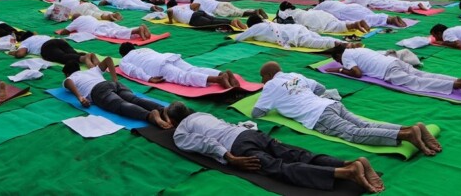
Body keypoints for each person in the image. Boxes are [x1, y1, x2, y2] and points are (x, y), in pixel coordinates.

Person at [165, 101, 384, 193]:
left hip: (237, 145)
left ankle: (345, 172)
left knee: (281, 168)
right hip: (249, 133)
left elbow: (205, 143)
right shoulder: (202, 114)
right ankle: (349, 162)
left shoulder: (180, 133)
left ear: (174, 122)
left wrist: (228, 157)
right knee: (298, 154)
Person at [255, 62, 440, 156]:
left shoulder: (270, 86)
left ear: (270, 75)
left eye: (263, 77)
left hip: (318, 116)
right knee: (364, 124)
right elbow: (319, 89)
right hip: (331, 104)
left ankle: (406, 135)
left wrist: (277, 103)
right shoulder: (294, 75)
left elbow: (257, 112)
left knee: (354, 133)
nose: (262, 81)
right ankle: (410, 129)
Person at [324, 46, 461, 98]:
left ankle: (457, 84)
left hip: (388, 69)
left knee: (418, 82)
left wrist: (338, 69)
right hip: (393, 61)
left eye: (337, 60)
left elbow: (357, 73)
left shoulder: (345, 56)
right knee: (422, 75)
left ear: (338, 55)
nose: (340, 62)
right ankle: (458, 79)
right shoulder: (358, 49)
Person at [63, 56, 171, 129]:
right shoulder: (90, 70)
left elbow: (68, 81)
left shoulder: (70, 78)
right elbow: (109, 59)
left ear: (67, 73)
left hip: (98, 90)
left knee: (121, 105)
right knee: (134, 99)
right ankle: (162, 109)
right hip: (112, 84)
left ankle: (149, 116)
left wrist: (80, 97)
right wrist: (115, 80)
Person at [119, 42, 240, 88]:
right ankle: (222, 73)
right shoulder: (145, 49)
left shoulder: (124, 60)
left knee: (183, 76)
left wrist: (148, 78)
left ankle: (218, 79)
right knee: (193, 68)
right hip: (169, 57)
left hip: (158, 67)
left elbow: (133, 71)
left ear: (122, 54)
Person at [234, 15, 361, 51]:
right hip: (296, 28)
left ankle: (343, 44)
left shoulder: (256, 28)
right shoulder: (267, 23)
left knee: (315, 42)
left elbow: (239, 38)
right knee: (317, 37)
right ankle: (345, 42)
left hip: (292, 36)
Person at [8, 33, 99, 67]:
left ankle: (84, 58)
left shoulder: (25, 42)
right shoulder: (42, 35)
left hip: (47, 47)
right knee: (73, 54)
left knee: (62, 57)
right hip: (58, 41)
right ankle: (89, 55)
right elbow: (62, 40)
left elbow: (20, 54)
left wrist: (14, 52)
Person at [278, 1, 370, 34]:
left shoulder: (285, 13)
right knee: (335, 23)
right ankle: (355, 23)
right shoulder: (298, 9)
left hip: (311, 19)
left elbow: (280, 16)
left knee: (333, 27)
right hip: (319, 13)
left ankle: (354, 25)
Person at [316, 0, 407, 27]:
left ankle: (390, 19)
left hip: (346, 11)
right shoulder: (334, 2)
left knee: (367, 19)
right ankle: (390, 18)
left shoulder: (322, 4)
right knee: (370, 16)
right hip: (354, 7)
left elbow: (312, 11)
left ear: (320, 1)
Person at [55, 15, 152, 41]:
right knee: (120, 28)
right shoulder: (88, 16)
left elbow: (64, 32)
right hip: (104, 23)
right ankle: (138, 30)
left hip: (97, 29)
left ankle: (137, 30)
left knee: (114, 33)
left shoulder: (76, 21)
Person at [166, 0, 247, 30]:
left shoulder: (171, 9)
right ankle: (231, 21)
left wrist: (170, 21)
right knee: (213, 19)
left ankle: (231, 23)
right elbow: (196, 4)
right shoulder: (182, 6)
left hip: (192, 18)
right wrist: (194, 11)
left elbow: (169, 11)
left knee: (211, 23)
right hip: (198, 13)